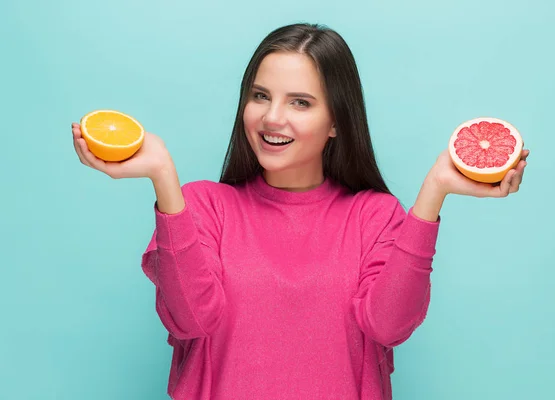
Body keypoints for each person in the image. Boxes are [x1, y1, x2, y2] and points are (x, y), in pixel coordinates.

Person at [71, 23, 529, 400]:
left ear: (335, 122)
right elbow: (191, 319)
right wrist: (163, 179)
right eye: (260, 96)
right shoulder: (205, 206)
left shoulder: (375, 216)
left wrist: (433, 195)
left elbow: (389, 326)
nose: (272, 118)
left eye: (300, 103)